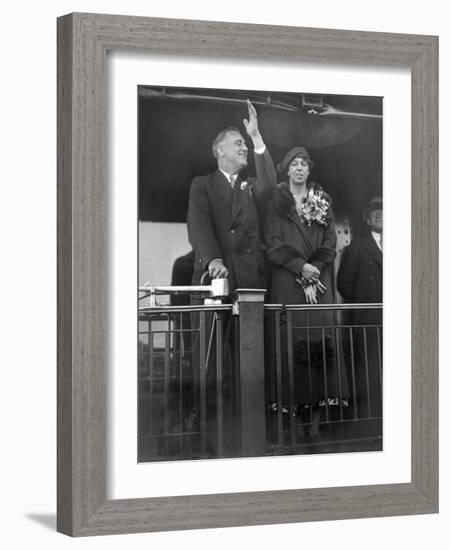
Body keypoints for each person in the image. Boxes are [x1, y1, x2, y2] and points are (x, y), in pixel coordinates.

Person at [264, 146, 348, 441]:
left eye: (304, 164)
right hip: (288, 283)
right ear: (286, 170)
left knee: (319, 352)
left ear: (309, 170)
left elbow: (329, 238)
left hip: (320, 284)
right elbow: (272, 242)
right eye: (294, 164)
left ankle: (314, 428)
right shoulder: (276, 200)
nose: (299, 168)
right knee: (291, 352)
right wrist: (301, 269)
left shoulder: (321, 200)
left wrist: (314, 269)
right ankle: (294, 430)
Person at [187, 100, 276, 293]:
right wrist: (214, 260)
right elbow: (199, 225)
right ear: (220, 151)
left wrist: (255, 136)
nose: (245, 148)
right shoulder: (202, 185)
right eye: (238, 143)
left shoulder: (252, 185)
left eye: (245, 144)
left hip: (250, 281)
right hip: (215, 277)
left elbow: (269, 186)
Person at [337, 197, 383, 420]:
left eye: (383, 209)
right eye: (374, 210)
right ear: (366, 219)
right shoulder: (356, 246)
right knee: (371, 373)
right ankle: (371, 420)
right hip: (369, 322)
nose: (379, 213)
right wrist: (368, 304)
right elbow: (344, 283)